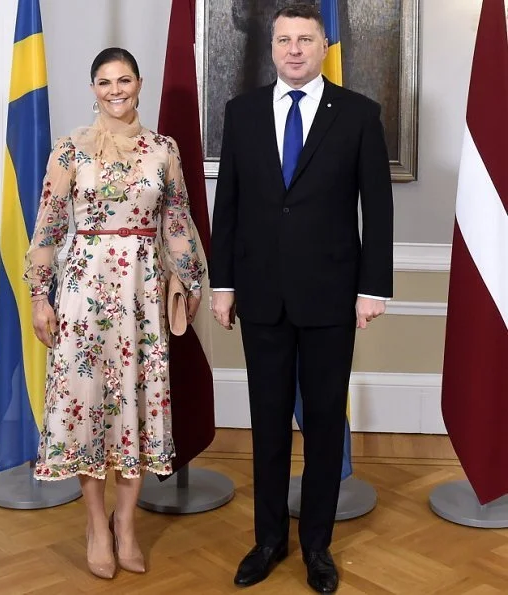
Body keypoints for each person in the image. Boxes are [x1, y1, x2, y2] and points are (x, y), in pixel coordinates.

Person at [211, 4, 393, 593]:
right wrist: (223, 285)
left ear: (322, 46)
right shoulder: (240, 114)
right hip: (260, 296)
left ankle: (316, 546)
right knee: (266, 425)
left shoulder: (360, 115)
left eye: (305, 39)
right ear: (272, 47)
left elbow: (378, 211)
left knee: (320, 424)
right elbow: (229, 207)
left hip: (331, 298)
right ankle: (267, 541)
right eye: (284, 40)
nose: (294, 49)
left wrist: (372, 289)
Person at [24, 47, 205, 579]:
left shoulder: (163, 150)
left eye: (124, 80)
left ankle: (126, 525)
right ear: (93, 88)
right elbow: (48, 229)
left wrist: (189, 280)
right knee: (87, 405)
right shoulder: (69, 151)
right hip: (83, 290)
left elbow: (178, 222)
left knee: (138, 406)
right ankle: (96, 524)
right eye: (104, 81)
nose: (115, 90)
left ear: (140, 84)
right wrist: (40, 295)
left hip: (143, 295)